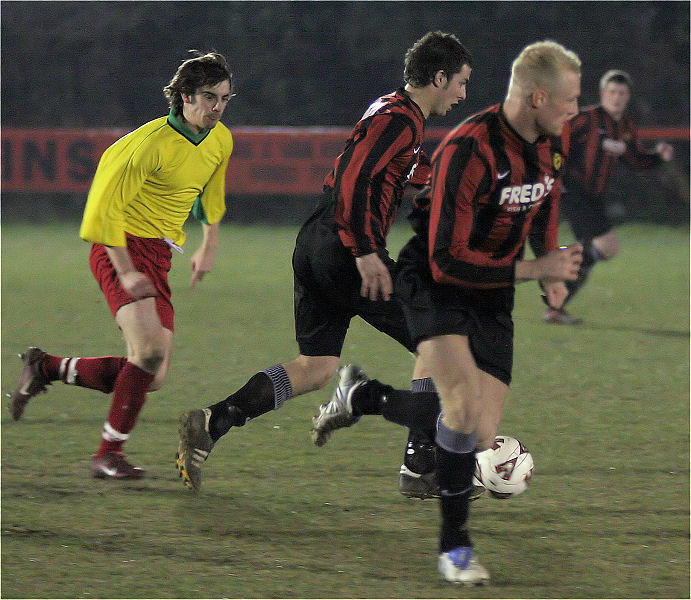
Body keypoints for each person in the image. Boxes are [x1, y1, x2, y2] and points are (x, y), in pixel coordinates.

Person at [311, 40, 583, 585]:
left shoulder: (555, 139)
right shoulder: (470, 149)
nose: (575, 111)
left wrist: (547, 270)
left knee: (479, 435)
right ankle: (455, 549)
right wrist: (538, 271)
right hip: (436, 281)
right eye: (570, 100)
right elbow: (448, 259)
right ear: (536, 97)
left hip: (494, 289)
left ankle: (362, 396)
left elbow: (545, 200)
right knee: (458, 411)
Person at [175, 31, 473, 492]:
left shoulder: (390, 110)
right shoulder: (402, 121)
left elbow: (404, 170)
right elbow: (356, 177)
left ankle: (214, 421)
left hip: (315, 245)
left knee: (315, 367)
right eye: (460, 83)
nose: (462, 94)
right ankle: (419, 464)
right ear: (439, 77)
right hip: (347, 252)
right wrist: (366, 252)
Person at [7, 51, 234, 479]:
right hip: (120, 246)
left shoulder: (220, 140)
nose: (218, 107)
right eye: (209, 97)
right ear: (185, 96)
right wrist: (127, 270)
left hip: (160, 254)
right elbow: (102, 210)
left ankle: (47, 367)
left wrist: (209, 242)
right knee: (147, 353)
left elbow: (210, 194)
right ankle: (107, 455)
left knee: (154, 374)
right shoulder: (145, 146)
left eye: (224, 98)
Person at [543, 69, 674, 324]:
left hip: (593, 197)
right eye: (612, 92)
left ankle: (555, 298)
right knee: (606, 246)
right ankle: (555, 292)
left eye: (621, 93)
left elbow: (635, 160)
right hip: (573, 192)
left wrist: (658, 156)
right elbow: (554, 138)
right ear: (603, 94)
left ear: (628, 97)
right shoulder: (586, 119)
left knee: (594, 251)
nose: (616, 97)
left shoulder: (625, 128)